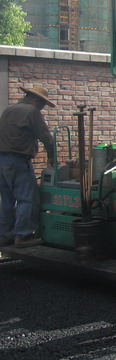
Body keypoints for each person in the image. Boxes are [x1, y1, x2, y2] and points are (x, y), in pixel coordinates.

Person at [0, 84, 56, 248]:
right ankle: (23, 236)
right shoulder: (32, 112)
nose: (42, 107)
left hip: (2, 159)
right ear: (36, 100)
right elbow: (46, 136)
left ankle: (5, 236)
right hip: (18, 160)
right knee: (27, 198)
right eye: (42, 104)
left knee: (7, 200)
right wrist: (52, 156)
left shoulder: (9, 110)